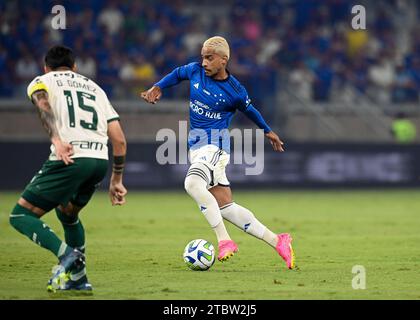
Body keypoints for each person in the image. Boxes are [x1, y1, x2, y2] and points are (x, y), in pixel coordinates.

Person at [141, 36, 295, 269]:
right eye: (203, 56)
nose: (204, 62)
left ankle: (225, 241)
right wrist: (158, 86)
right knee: (225, 207)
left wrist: (267, 131)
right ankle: (278, 241)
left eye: (209, 58)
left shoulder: (235, 90)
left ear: (223, 60)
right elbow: (176, 74)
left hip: (215, 146)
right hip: (197, 147)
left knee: (192, 184)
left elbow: (250, 110)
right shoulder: (195, 71)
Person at [9, 45, 128, 292]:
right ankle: (79, 279)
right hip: (99, 161)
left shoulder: (42, 81)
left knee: (20, 215)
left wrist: (56, 139)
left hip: (71, 158)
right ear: (75, 67)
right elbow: (119, 139)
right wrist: (116, 180)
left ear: (45, 67)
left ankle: (66, 255)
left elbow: (43, 105)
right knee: (68, 214)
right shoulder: (96, 88)